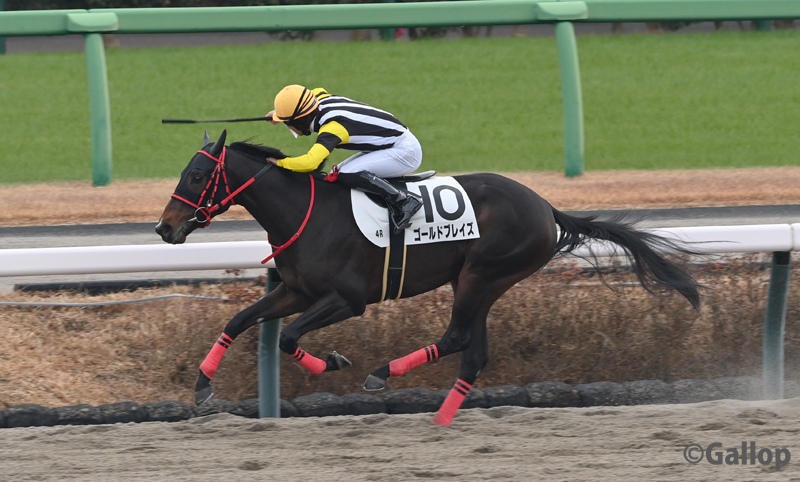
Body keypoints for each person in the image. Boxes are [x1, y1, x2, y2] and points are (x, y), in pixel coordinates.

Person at [265, 85, 423, 234]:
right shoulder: (318, 98)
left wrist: (280, 163)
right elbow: (308, 94)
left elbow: (310, 162)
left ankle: (404, 201)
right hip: (391, 144)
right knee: (337, 173)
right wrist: (279, 113)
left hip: (405, 152)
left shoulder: (333, 127)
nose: (288, 127)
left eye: (287, 124)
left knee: (347, 173)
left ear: (300, 120)